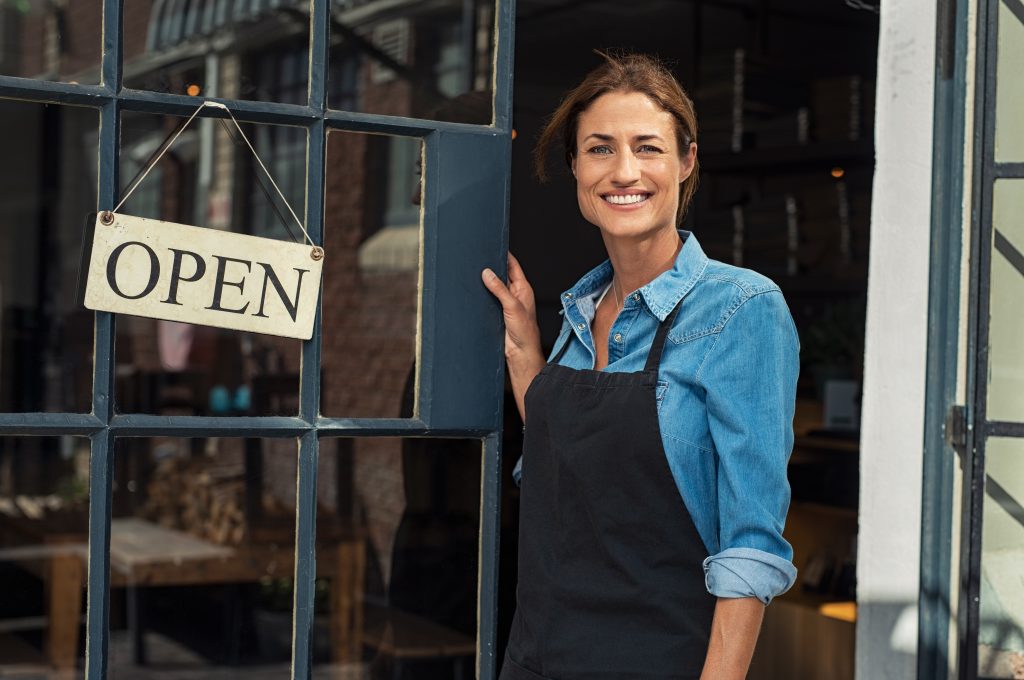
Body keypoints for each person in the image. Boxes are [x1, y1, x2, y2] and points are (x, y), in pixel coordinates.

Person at [481, 52, 799, 679]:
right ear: (575, 167)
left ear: (686, 162)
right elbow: (570, 457)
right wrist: (525, 349)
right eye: (599, 148)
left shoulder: (741, 309)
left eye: (648, 148)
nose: (624, 170)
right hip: (537, 658)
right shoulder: (580, 307)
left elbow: (752, 543)